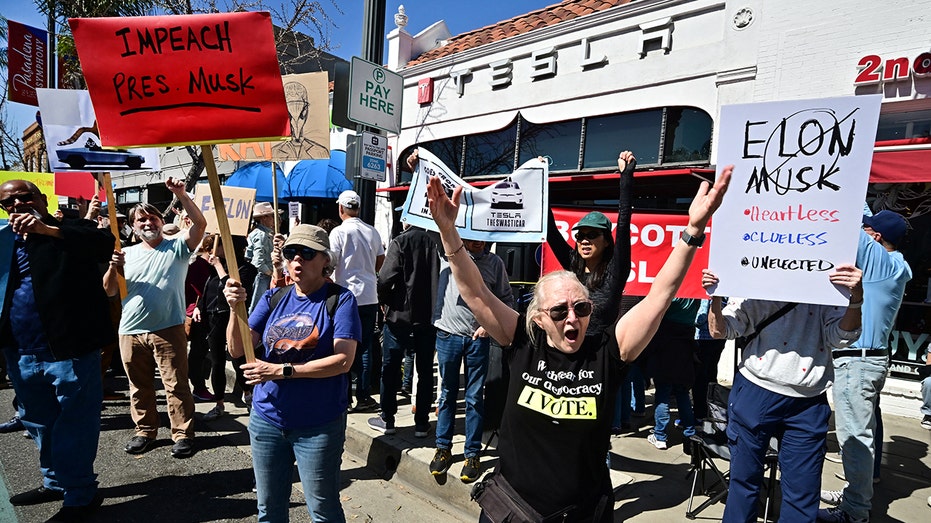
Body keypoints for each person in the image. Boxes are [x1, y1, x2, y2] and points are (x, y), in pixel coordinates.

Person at [425, 164, 731, 520]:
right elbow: (475, 291)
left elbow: (659, 296)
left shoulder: (608, 352)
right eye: (558, 311)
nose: (572, 318)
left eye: (581, 308)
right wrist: (449, 232)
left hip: (584, 513)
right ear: (538, 317)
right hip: (512, 510)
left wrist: (693, 230)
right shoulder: (523, 342)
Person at [703, 266, 864, 523]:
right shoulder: (756, 277)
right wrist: (715, 297)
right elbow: (721, 330)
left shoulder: (829, 280)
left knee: (803, 494)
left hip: (808, 399)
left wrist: (856, 300)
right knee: (743, 483)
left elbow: (843, 337)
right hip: (756, 389)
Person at [223, 224, 360, 522]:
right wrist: (235, 309)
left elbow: (342, 361)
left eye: (307, 253)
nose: (297, 260)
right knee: (268, 508)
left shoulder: (340, 299)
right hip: (267, 420)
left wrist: (280, 370)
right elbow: (237, 348)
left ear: (326, 260)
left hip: (318, 425)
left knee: (322, 510)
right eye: (291, 253)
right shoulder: (274, 297)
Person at [0, 179, 114, 520]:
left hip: (70, 349)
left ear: (42, 198)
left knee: (75, 423)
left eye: (26, 197)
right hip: (20, 350)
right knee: (38, 421)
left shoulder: (71, 228)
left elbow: (102, 244)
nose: (19, 205)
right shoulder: (3, 240)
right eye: (9, 202)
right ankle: (55, 482)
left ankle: (80, 495)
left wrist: (48, 230)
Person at [818, 210, 912, 523]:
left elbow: (844, 218)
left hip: (858, 362)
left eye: (866, 230)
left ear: (873, 237)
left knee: (854, 438)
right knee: (864, 432)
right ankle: (854, 495)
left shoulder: (882, 264)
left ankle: (854, 511)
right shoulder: (894, 266)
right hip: (868, 360)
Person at [105, 177, 207, 459]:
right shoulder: (124, 253)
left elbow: (200, 225)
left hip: (168, 328)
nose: (147, 223)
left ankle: (183, 434)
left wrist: (182, 194)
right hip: (130, 330)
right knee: (138, 386)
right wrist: (114, 268)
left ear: (161, 221)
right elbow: (110, 291)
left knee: (175, 384)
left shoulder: (177, 247)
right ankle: (145, 431)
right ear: (132, 226)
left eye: (152, 217)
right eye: (141, 220)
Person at [430, 237, 514, 483]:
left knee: (475, 397)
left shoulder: (494, 263)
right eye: (472, 235)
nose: (478, 241)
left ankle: (472, 454)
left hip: (478, 339)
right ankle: (443, 448)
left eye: (482, 236)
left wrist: (489, 326)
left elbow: (506, 299)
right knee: (447, 394)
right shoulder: (447, 255)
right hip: (448, 334)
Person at [369, 225, 440, 438]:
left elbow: (384, 278)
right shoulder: (438, 242)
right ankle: (421, 423)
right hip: (429, 316)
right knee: (425, 370)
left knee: (390, 367)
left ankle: (387, 417)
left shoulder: (401, 241)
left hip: (400, 315)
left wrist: (384, 301)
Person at [329, 190, 385, 413]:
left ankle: (344, 396)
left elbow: (331, 261)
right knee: (365, 348)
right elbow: (380, 259)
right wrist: (368, 273)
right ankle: (363, 397)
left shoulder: (339, 232)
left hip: (346, 294)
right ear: (358, 208)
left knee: (342, 345)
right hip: (369, 295)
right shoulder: (372, 231)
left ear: (341, 208)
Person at [193, 236, 256, 421]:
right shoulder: (214, 268)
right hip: (213, 318)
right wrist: (199, 306)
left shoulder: (246, 269)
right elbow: (209, 290)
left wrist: (219, 267)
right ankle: (219, 403)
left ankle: (248, 394)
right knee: (217, 361)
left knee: (238, 358)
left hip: (235, 319)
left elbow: (232, 289)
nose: (213, 248)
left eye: (217, 244)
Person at [643, 298, 700, 451]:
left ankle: (660, 435)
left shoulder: (673, 296)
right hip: (685, 345)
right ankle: (690, 433)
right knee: (682, 393)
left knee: (663, 393)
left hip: (665, 345)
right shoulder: (695, 296)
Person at [247, 202, 280, 314]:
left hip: (262, 275)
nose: (274, 219)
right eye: (271, 216)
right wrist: (271, 273)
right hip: (262, 277)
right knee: (257, 308)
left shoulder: (263, 233)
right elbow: (258, 261)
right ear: (264, 218)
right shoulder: (261, 235)